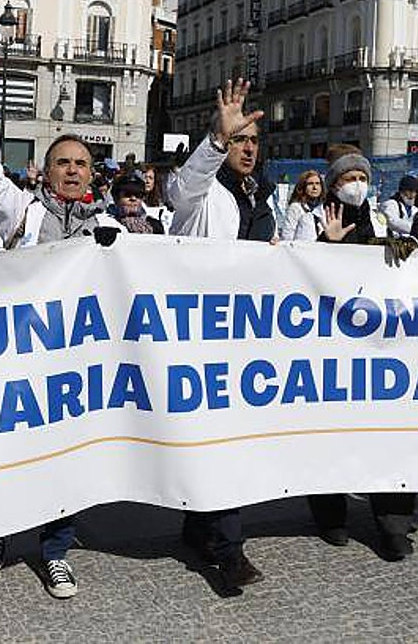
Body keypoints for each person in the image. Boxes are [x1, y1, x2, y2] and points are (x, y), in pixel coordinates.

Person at [0, 61, 122, 599]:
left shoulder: (111, 228)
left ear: (93, 174)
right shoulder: (24, 214)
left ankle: (56, 552)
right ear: (45, 172)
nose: (73, 171)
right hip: (20, 358)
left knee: (64, 463)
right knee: (8, 453)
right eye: (63, 163)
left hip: (75, 368)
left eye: (81, 163)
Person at [164, 79, 270, 591]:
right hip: (201, 338)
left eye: (253, 141)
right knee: (219, 445)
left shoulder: (262, 197)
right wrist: (215, 139)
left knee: (222, 445)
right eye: (239, 140)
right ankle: (229, 552)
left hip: (247, 339)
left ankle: (197, 527)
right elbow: (180, 191)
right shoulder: (203, 194)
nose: (247, 149)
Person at [305, 151, 418, 562]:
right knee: (330, 435)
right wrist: (327, 245)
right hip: (332, 345)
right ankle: (330, 515)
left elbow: (398, 267)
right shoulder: (316, 218)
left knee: (385, 435)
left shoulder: (380, 220)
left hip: (376, 345)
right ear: (334, 185)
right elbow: (300, 275)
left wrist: (406, 251)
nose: (356, 183)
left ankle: (393, 525)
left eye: (361, 176)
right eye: (348, 177)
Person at [280, 169, 324, 241]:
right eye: (310, 184)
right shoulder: (295, 208)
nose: (315, 187)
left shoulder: (322, 208)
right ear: (303, 187)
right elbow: (287, 236)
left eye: (317, 183)